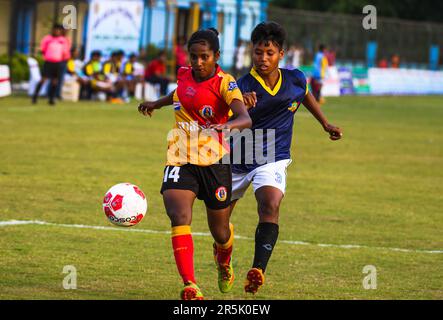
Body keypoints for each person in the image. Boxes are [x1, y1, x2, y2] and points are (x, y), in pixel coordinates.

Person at [229, 21, 343, 294]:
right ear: (251, 53)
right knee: (220, 227)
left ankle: (257, 269)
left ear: (281, 53)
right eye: (258, 52)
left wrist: (325, 123)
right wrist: (238, 104)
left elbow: (305, 96)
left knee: (270, 203)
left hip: (273, 156)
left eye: (269, 53)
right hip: (237, 158)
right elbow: (225, 119)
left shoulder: (295, 79)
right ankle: (223, 255)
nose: (263, 58)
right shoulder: (239, 86)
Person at [138, 28, 251, 300]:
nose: (198, 63)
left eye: (204, 57)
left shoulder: (226, 83)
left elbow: (245, 118)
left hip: (214, 161)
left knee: (220, 231)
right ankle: (190, 284)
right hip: (179, 155)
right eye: (194, 57)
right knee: (179, 216)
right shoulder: (184, 74)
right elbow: (178, 95)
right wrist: (156, 103)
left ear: (216, 56)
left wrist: (224, 125)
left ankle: (224, 260)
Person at [32, 23, 71, 105]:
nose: (56, 32)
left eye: (58, 30)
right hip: (49, 62)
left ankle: (51, 98)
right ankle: (35, 96)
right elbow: (43, 49)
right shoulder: (47, 39)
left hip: (58, 63)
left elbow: (65, 52)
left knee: (55, 81)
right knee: (43, 79)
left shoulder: (63, 40)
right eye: (55, 30)